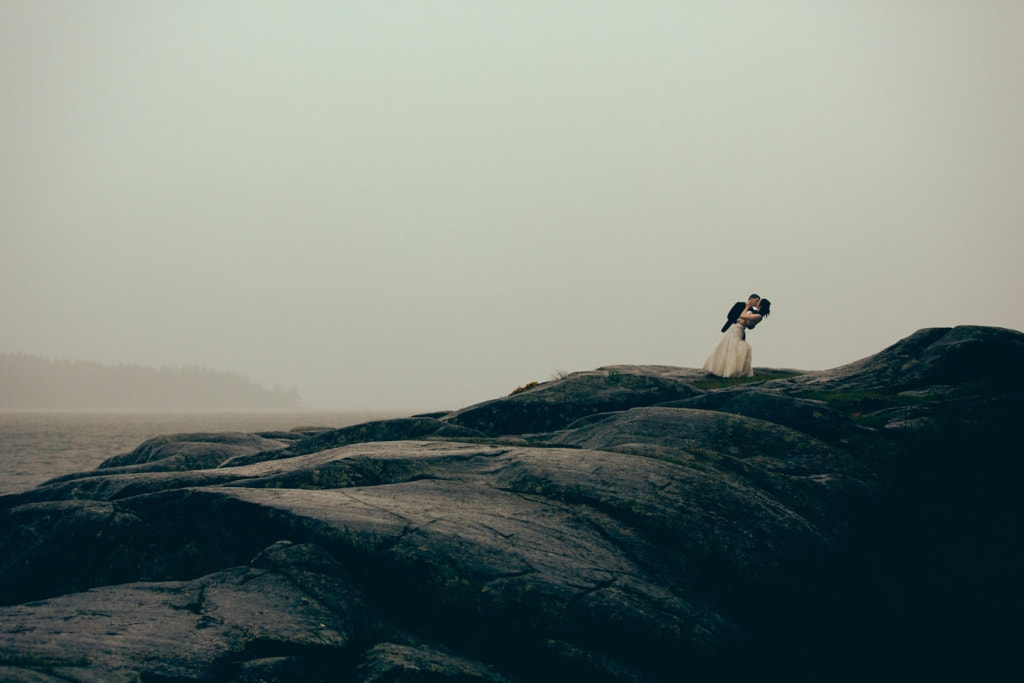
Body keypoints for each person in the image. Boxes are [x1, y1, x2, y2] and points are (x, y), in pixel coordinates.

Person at [703, 296, 770, 378]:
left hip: (739, 330)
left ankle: (729, 371)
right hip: (734, 328)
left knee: (733, 349)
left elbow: (748, 322)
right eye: (756, 301)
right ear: (751, 299)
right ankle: (718, 369)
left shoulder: (757, 315)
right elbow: (730, 316)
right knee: (725, 347)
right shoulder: (740, 305)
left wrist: (747, 310)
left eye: (759, 302)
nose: (757, 303)